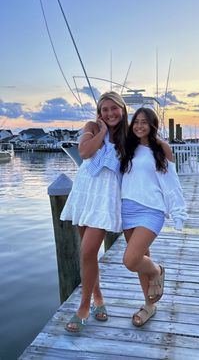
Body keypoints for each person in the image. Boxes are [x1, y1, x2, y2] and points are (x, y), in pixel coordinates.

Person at [61, 91, 128, 332]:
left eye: (114, 108)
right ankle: (99, 299)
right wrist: (101, 132)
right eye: (104, 109)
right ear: (99, 113)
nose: (110, 113)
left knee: (88, 251)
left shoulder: (127, 136)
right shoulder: (92, 126)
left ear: (122, 109)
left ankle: (83, 308)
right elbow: (85, 152)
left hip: (105, 197)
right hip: (84, 192)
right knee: (87, 253)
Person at [120, 107, 187, 327]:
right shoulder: (128, 148)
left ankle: (157, 270)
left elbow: (172, 184)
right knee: (140, 259)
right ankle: (149, 305)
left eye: (144, 122)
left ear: (152, 125)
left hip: (152, 210)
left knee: (131, 260)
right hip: (127, 209)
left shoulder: (161, 148)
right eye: (136, 122)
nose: (139, 126)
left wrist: (178, 212)